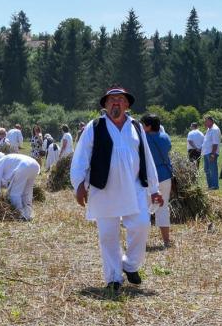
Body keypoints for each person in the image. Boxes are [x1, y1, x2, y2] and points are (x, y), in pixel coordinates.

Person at [70, 86, 163, 293]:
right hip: (103, 188)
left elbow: (146, 157)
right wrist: (79, 184)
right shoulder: (94, 127)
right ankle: (113, 277)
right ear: (105, 104)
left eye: (120, 99)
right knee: (108, 235)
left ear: (127, 104)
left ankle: (129, 265)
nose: (116, 103)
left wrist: (154, 189)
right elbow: (81, 156)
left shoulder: (136, 126)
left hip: (134, 186)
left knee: (141, 224)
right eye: (111, 100)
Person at [142, 114, 173, 247]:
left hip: (148, 178)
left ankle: (141, 242)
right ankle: (166, 241)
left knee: (144, 209)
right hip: (165, 175)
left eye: (143, 124)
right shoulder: (165, 137)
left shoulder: (143, 138)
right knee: (163, 208)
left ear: (148, 126)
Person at [0, 153, 40, 220]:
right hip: (35, 165)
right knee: (27, 192)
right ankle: (28, 214)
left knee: (14, 193)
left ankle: (20, 215)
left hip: (24, 166)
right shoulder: (5, 160)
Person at [201, 115, 221, 190]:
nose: (204, 123)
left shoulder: (215, 129)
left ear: (210, 121)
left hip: (211, 153)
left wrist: (212, 154)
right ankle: (210, 185)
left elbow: (215, 143)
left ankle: (214, 185)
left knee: (212, 169)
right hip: (206, 152)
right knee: (207, 169)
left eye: (206, 121)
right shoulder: (209, 129)